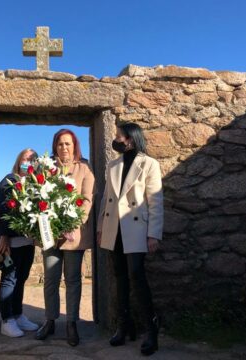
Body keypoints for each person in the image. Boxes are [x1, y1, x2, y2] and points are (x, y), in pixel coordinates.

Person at [97, 121, 164, 356]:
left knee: (137, 276)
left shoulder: (149, 164)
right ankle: (124, 326)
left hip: (136, 229)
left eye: (119, 136)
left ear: (131, 139)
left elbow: (155, 201)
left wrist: (154, 233)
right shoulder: (113, 164)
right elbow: (106, 198)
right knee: (120, 278)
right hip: (114, 229)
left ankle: (151, 329)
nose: (116, 139)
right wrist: (100, 227)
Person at [35, 129, 95, 347]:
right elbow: (37, 195)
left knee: (72, 280)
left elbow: (87, 200)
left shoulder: (85, 169)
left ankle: (71, 323)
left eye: (68, 144)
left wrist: (71, 224)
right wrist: (50, 225)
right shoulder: (46, 168)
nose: (64, 148)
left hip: (73, 234)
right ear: (55, 146)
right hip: (50, 235)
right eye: (60, 144)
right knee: (50, 279)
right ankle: (50, 321)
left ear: (74, 146)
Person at [0, 148, 40, 337]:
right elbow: (3, 209)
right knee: (9, 279)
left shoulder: (34, 183)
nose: (28, 161)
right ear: (19, 160)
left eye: (31, 159)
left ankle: (18, 315)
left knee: (21, 278)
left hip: (26, 241)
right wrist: (4, 236)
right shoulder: (9, 180)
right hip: (10, 241)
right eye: (25, 158)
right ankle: (7, 320)